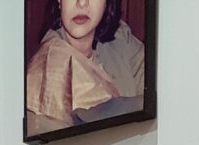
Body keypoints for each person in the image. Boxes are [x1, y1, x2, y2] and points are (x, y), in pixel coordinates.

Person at [27, 0, 146, 135]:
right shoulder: (49, 64)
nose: (82, 3)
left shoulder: (121, 39)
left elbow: (160, 95)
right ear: (59, 1)